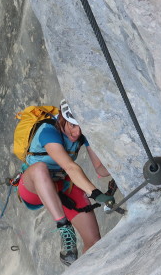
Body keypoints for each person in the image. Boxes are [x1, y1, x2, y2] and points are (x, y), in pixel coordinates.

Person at [17, 100, 115, 266]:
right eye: (73, 126)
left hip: (62, 184)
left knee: (94, 241)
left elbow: (99, 168)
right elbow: (69, 166)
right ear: (62, 119)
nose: (77, 132)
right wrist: (96, 194)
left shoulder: (81, 134)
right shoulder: (48, 131)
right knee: (40, 168)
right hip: (33, 185)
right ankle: (64, 228)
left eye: (81, 127)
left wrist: (120, 166)